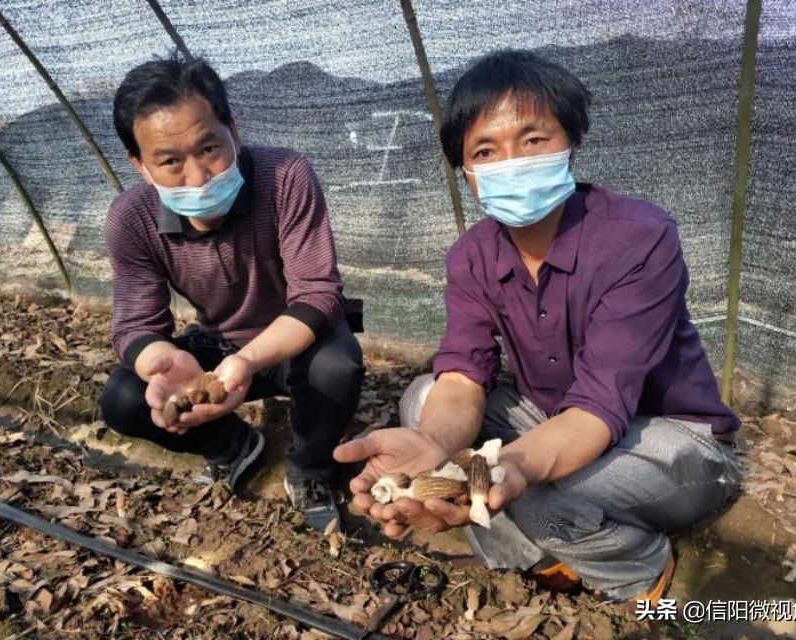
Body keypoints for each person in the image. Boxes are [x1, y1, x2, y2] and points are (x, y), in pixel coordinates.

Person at [335, 49, 742, 603]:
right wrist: (433, 443)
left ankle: (641, 572)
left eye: (532, 140)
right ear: (467, 173)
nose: (511, 163)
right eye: (485, 150)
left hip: (671, 439)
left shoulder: (638, 237)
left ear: (570, 141)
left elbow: (600, 404)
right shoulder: (471, 256)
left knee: (529, 488)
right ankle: (539, 560)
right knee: (425, 400)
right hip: (556, 418)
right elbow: (461, 379)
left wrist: (512, 467)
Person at [99, 51, 364, 532]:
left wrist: (247, 362)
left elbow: (318, 292)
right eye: (170, 162)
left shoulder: (285, 177)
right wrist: (159, 359)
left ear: (233, 132)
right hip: (216, 342)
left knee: (337, 364)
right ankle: (233, 446)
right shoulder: (130, 218)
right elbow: (136, 322)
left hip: (292, 338)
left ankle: (311, 469)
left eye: (209, 149)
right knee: (123, 397)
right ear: (139, 165)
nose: (197, 176)